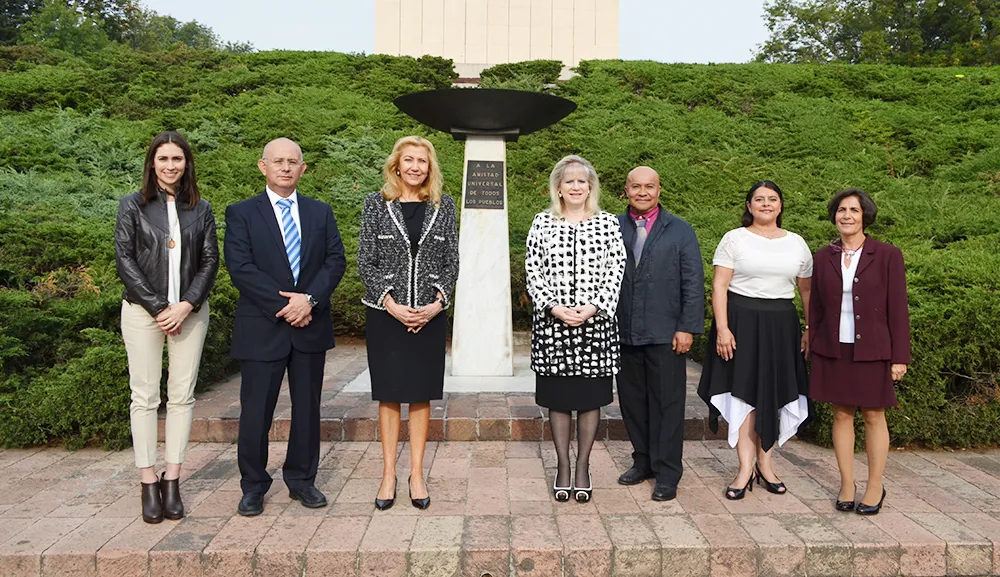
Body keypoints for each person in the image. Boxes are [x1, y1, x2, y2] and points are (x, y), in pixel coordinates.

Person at [224, 137, 346, 516]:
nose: (285, 168)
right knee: (256, 411)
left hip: (310, 324)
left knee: (307, 409)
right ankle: (254, 485)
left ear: (303, 169)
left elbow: (335, 260)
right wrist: (287, 306)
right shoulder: (242, 212)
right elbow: (240, 267)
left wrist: (308, 300)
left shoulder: (319, 212)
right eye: (278, 161)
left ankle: (301, 480)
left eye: (293, 162)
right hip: (263, 327)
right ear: (263, 166)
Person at [115, 130, 218, 524]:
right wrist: (160, 307)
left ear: (186, 163)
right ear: (152, 163)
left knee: (182, 396)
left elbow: (210, 261)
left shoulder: (201, 208)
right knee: (143, 397)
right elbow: (125, 260)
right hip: (143, 313)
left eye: (178, 159)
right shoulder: (131, 206)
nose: (171, 166)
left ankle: (172, 479)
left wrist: (186, 304)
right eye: (164, 159)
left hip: (190, 312)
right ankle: (147, 481)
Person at [357, 136, 459, 511]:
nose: (416, 167)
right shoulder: (375, 204)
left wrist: (436, 304)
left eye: (423, 161)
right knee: (388, 394)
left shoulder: (443, 206)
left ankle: (416, 472)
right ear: (396, 166)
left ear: (430, 168)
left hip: (429, 315)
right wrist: (392, 303)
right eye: (409, 160)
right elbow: (366, 260)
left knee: (419, 393)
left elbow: (452, 261)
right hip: (386, 315)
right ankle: (388, 473)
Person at [698, 181, 812, 500]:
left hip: (781, 325)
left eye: (772, 199)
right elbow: (720, 286)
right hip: (741, 322)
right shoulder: (734, 239)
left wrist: (810, 327)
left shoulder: (797, 243)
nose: (765, 204)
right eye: (759, 199)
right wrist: (722, 328)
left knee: (773, 394)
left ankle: (767, 464)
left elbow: (806, 291)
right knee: (744, 395)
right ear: (749, 205)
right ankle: (744, 468)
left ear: (780, 206)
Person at [525, 155, 626, 503]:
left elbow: (616, 270)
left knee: (588, 399)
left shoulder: (608, 224)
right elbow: (533, 271)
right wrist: (553, 307)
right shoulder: (542, 223)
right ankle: (563, 466)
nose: (576, 187)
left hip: (594, 326)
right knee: (558, 399)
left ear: (591, 187)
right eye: (569, 181)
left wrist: (595, 307)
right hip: (554, 328)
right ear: (558, 187)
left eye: (582, 181)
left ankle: (583, 466)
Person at [809, 188, 910, 515]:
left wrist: (899, 356)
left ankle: (875, 485)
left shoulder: (887, 254)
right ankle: (847, 484)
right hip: (834, 347)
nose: (846, 215)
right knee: (841, 414)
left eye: (853, 210)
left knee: (873, 414)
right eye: (841, 210)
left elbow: (898, 308)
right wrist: (812, 341)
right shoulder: (823, 256)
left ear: (865, 215)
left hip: (873, 348)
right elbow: (818, 307)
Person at [615, 166, 704, 502]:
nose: (642, 192)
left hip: (666, 332)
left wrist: (687, 326)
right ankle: (643, 461)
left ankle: (667, 472)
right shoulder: (611, 227)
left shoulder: (680, 230)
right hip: (623, 330)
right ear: (626, 189)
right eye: (636, 186)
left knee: (667, 404)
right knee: (632, 401)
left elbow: (693, 282)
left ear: (659, 190)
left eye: (649, 186)